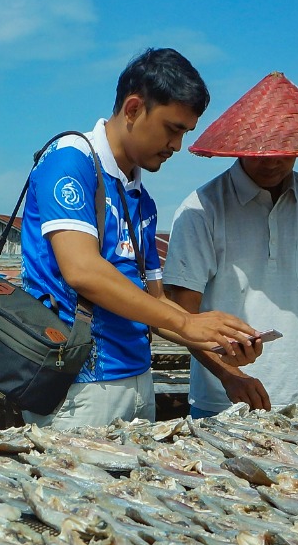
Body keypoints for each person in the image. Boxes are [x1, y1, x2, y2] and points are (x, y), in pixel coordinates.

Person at [18, 48, 261, 428]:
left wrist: (221, 351)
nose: (177, 145)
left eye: (185, 132)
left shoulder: (140, 199)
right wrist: (187, 325)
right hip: (79, 389)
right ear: (132, 109)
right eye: (172, 128)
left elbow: (155, 303)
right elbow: (83, 270)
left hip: (137, 381)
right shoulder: (71, 161)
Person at [164, 72, 298, 417]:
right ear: (238, 146)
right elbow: (183, 312)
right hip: (222, 402)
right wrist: (230, 375)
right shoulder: (201, 208)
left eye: (283, 151)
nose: (272, 161)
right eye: (261, 152)